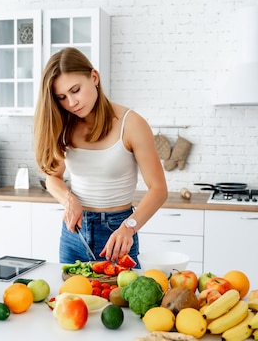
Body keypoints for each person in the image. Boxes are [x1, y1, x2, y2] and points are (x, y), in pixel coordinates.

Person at [33, 47, 168, 265]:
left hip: (117, 234)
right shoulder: (64, 125)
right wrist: (69, 200)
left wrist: (128, 227)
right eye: (62, 97)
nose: (71, 103)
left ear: (94, 77)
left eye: (75, 90)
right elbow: (52, 177)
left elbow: (159, 189)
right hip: (73, 233)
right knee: (68, 297)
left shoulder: (131, 124)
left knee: (119, 299)